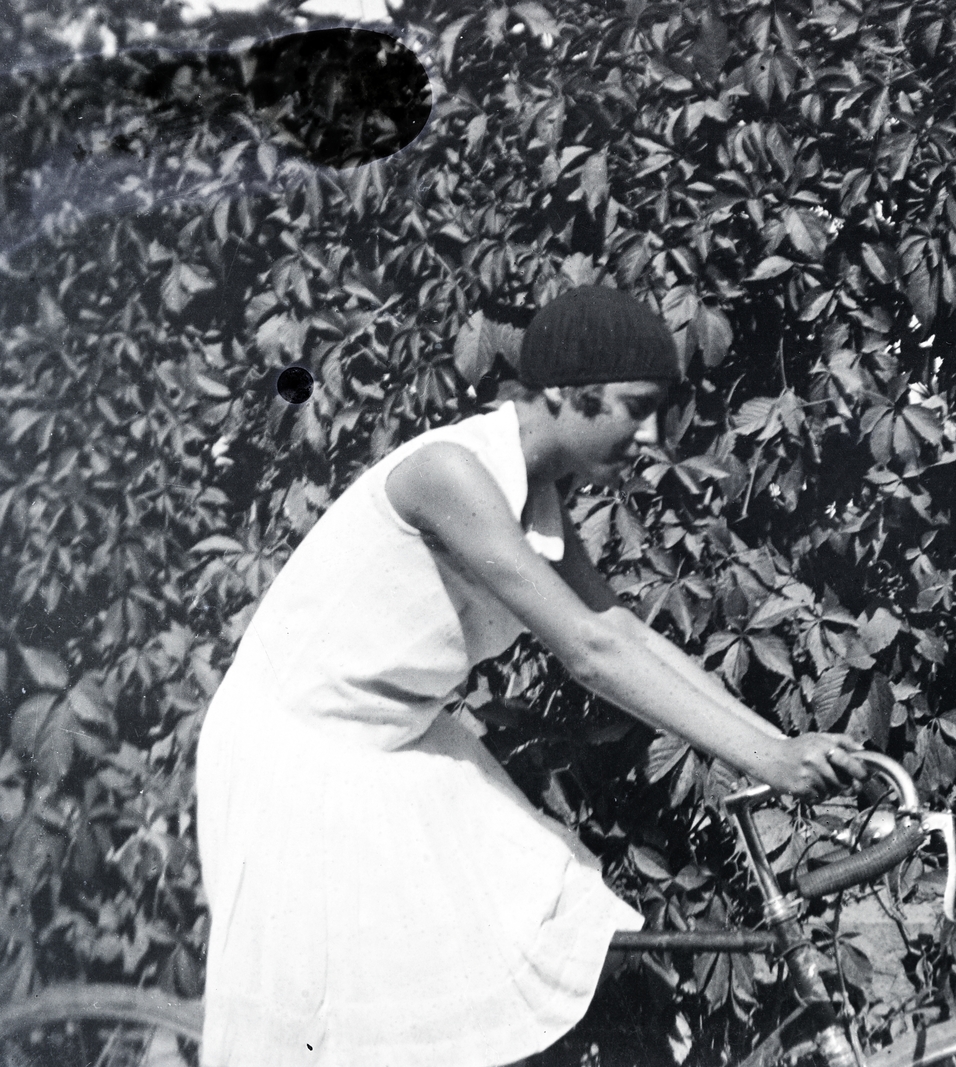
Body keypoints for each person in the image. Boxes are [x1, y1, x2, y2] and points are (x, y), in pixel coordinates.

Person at [195, 285, 868, 1067]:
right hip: (303, 759)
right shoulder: (449, 473)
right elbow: (587, 653)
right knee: (351, 1032)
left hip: (395, 745)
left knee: (526, 947)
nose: (649, 433)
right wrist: (770, 762)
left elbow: (619, 629)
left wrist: (782, 743)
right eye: (634, 406)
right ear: (564, 392)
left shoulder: (539, 492)